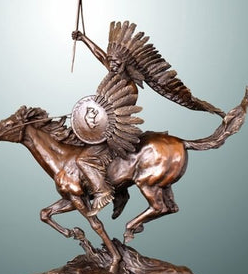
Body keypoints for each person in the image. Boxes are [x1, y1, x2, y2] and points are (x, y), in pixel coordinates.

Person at [72, 21, 225, 215]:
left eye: (117, 63)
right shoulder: (114, 70)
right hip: (106, 127)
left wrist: (97, 124)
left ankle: (103, 191)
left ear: (126, 64)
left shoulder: (129, 87)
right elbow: (101, 56)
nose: (113, 65)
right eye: (111, 62)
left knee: (84, 159)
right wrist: (84, 38)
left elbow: (117, 114)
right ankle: (121, 193)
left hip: (117, 131)